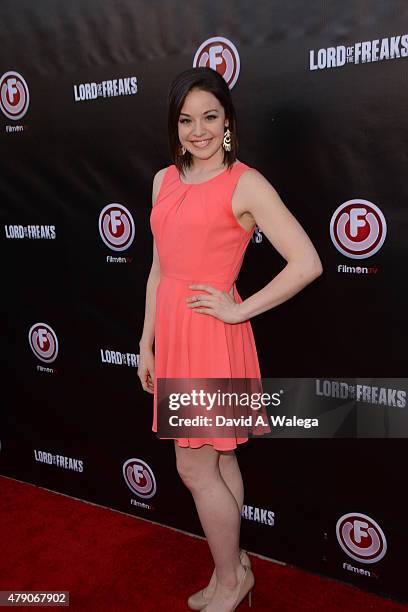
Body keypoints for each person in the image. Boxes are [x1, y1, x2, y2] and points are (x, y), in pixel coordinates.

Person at [138, 66, 323, 611]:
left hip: (212, 338)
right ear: (175, 125)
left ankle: (229, 580)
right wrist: (146, 341)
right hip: (173, 336)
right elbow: (157, 270)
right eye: (185, 119)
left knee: (194, 466)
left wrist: (240, 308)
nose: (197, 130)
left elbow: (307, 262)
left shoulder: (245, 183)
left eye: (209, 117)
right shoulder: (162, 180)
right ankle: (236, 567)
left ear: (227, 122)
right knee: (217, 461)